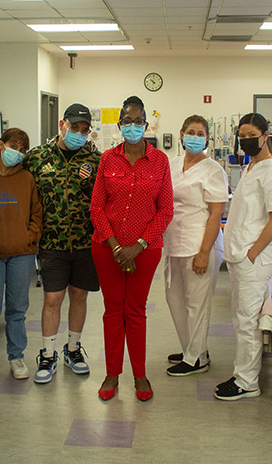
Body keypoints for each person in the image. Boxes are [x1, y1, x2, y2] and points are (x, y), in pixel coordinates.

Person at [90, 96, 173, 401]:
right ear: (119, 124)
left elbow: (165, 211)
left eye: (139, 121)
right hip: (106, 247)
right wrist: (115, 247)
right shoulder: (108, 159)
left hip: (145, 249)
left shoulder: (160, 161)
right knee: (113, 311)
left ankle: (140, 373)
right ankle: (112, 373)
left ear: (146, 125)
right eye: (127, 121)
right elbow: (97, 206)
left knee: (135, 311)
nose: (133, 126)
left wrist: (137, 247)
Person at [23, 103, 102, 384]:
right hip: (52, 243)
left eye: (84, 130)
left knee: (79, 296)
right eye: (74, 127)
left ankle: (73, 349)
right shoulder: (36, 158)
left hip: (84, 242)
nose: (78, 133)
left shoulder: (95, 160)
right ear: (61, 124)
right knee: (53, 299)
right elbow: (17, 185)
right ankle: (48, 353)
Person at [214, 113, 272, 400]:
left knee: (247, 320)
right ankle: (242, 372)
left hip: (252, 258)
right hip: (239, 256)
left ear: (265, 135)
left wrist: (252, 252)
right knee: (240, 318)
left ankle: (247, 382)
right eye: (241, 135)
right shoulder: (250, 167)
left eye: (251, 135)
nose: (245, 140)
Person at [0, 128, 41, 382]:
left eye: (23, 150)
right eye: (14, 146)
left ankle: (16, 356)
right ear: (0, 145)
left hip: (21, 254)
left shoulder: (26, 178)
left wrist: (30, 236)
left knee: (17, 309)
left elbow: (37, 213)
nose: (18, 153)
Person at [163, 115, 227, 376]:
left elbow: (215, 214)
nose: (195, 137)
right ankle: (191, 347)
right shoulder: (173, 164)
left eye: (201, 133)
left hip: (201, 244)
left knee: (197, 302)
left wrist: (203, 252)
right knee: (174, 299)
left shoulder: (213, 170)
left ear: (207, 139)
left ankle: (196, 358)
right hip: (173, 244)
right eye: (191, 131)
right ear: (181, 134)